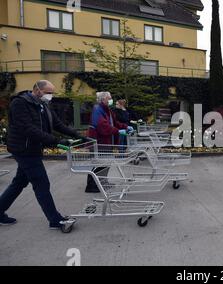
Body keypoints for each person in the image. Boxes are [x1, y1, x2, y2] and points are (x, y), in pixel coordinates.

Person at [0, 80, 85, 229]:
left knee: (19, 182)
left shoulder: (42, 105)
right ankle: (55, 220)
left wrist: (77, 135)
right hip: (24, 149)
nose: (50, 96)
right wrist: (56, 141)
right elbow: (28, 129)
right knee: (41, 183)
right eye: (48, 92)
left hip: (33, 148)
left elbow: (57, 124)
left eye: (52, 93)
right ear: (37, 90)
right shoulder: (20, 103)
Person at [85, 92, 131, 193]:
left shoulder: (106, 110)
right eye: (109, 98)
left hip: (105, 141)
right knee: (99, 163)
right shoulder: (98, 110)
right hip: (99, 141)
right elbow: (103, 126)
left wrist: (125, 127)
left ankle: (102, 182)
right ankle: (92, 186)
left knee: (105, 163)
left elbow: (114, 123)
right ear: (102, 99)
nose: (111, 100)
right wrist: (117, 131)